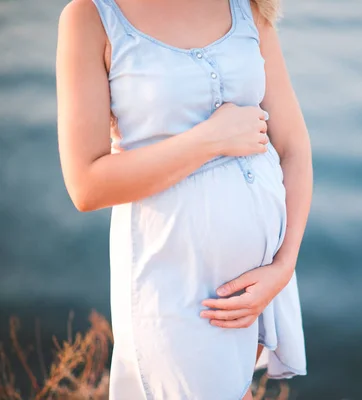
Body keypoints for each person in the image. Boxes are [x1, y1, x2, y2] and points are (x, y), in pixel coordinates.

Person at [55, 0, 313, 397]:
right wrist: (210, 140)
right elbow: (86, 186)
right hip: (172, 282)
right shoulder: (90, 18)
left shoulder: (247, 8)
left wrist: (283, 265)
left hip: (261, 281)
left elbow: (294, 145)